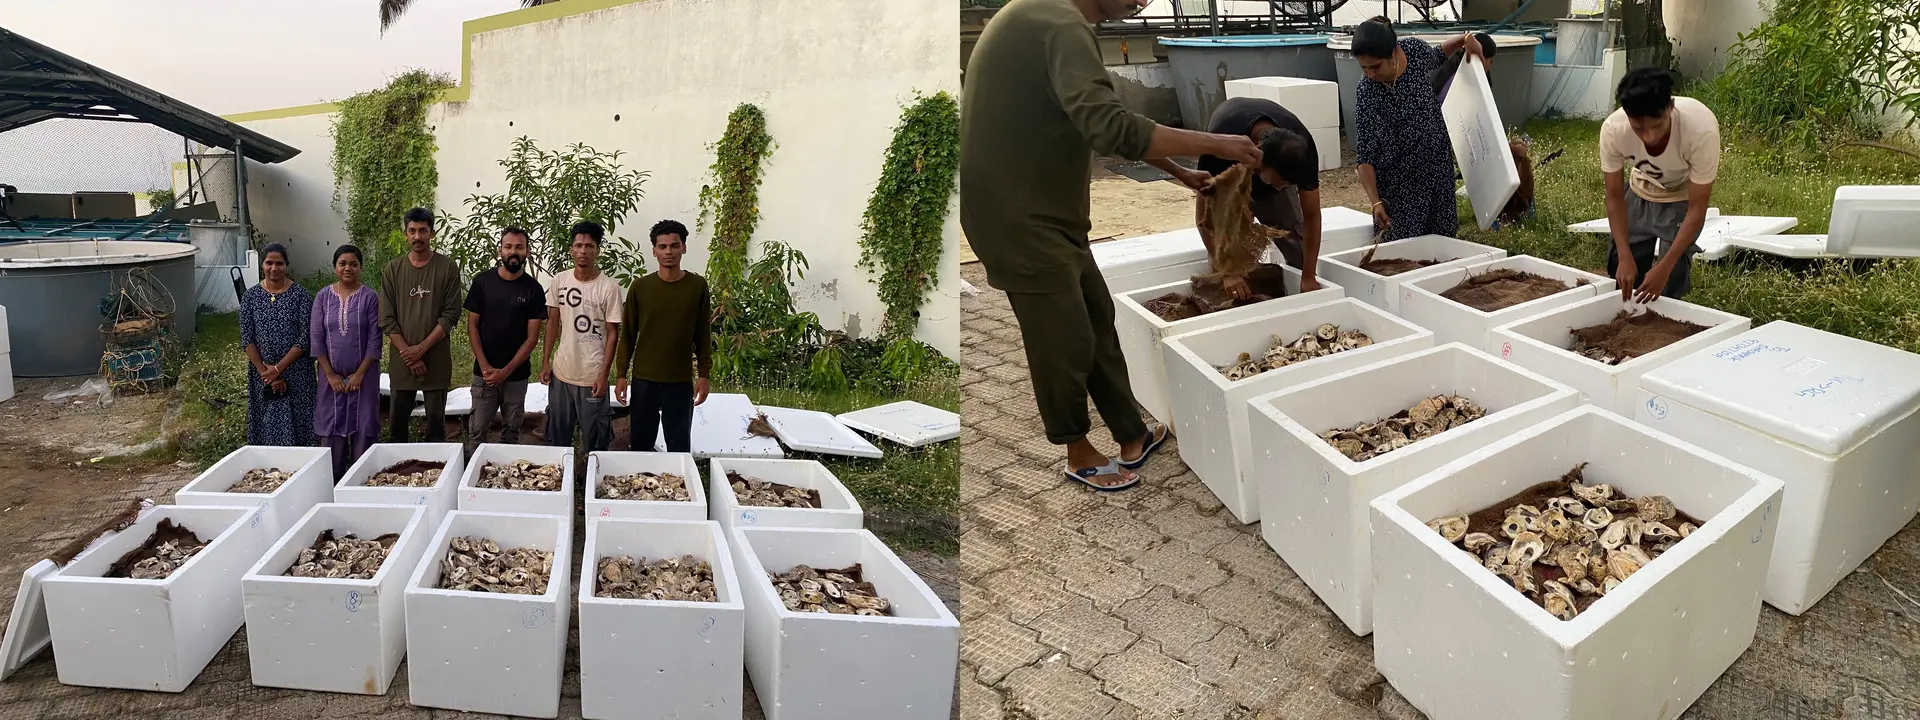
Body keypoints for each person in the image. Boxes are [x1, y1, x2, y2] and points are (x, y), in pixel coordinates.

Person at [960, 0, 1260, 491]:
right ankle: (1076, 450)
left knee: (1097, 316)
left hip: (1049, 212)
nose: (1140, 3)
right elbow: (1111, 128)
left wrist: (1181, 171)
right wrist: (1222, 144)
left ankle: (1131, 433)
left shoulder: (1044, 15)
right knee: (1062, 337)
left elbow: (1106, 121)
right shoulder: (1056, 22)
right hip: (1015, 217)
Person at [1150, 97, 1328, 299]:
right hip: (1230, 175)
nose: (1282, 188)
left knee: (1294, 236)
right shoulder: (1219, 147)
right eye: (1280, 183)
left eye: (1289, 186)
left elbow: (1312, 216)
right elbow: (1205, 221)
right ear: (1259, 163)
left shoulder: (1301, 150)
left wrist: (1307, 275)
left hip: (1272, 163)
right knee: (1230, 255)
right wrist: (1228, 272)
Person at [1351, 18, 1485, 241]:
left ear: (1394, 53)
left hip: (1437, 173)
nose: (1370, 74)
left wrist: (1465, 39)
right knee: (1402, 253)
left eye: (1375, 67)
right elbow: (1365, 153)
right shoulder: (1367, 92)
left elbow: (1438, 54)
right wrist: (1375, 202)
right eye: (1363, 68)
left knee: (1442, 244)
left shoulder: (1414, 51)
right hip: (1398, 186)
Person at [1601, 67, 1720, 302]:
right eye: (1639, 129)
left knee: (1671, 276)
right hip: (1639, 189)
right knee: (1623, 270)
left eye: (1657, 126)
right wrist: (1625, 256)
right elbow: (1613, 196)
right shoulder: (1614, 130)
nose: (1649, 137)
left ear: (1670, 107)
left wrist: (1664, 267)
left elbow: (1697, 207)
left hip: (1680, 194)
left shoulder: (1700, 129)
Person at [613, 220, 713, 454]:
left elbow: (702, 334)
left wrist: (704, 375)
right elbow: (627, 334)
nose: (669, 252)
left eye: (674, 246)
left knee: (678, 445)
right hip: (644, 380)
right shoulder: (641, 287)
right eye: (663, 246)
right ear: (654, 251)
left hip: (679, 381)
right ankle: (640, 486)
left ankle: (679, 488)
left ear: (684, 248)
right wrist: (620, 375)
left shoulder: (697, 286)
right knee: (641, 443)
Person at [377, 207, 463, 443]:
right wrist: (410, 355)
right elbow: (386, 318)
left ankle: (435, 474)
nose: (417, 236)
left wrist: (421, 350)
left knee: (436, 427)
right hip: (402, 362)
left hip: (435, 360)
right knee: (397, 427)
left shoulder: (447, 268)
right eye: (412, 231)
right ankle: (398, 475)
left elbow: (450, 315)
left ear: (432, 233)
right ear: (405, 234)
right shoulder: (393, 270)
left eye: (423, 230)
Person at [541, 220, 623, 454]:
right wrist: (546, 361)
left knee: (595, 440)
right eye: (578, 245)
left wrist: (604, 375)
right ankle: (560, 482)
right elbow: (553, 322)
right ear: (571, 249)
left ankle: (590, 483)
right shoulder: (560, 280)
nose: (583, 251)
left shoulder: (608, 288)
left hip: (592, 376)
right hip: (562, 373)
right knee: (558, 438)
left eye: (589, 246)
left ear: (597, 250)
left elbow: (612, 334)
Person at [462, 227, 546, 456]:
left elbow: (532, 339)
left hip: (516, 376)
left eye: (519, 247)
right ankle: (470, 483)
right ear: (500, 250)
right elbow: (472, 327)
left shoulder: (534, 290)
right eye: (508, 246)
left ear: (527, 251)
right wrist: (487, 367)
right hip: (484, 374)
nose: (513, 252)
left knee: (512, 432)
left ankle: (504, 482)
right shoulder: (482, 282)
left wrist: (506, 372)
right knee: (477, 431)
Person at [311, 245, 382, 480]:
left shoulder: (370, 297)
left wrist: (360, 373)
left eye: (353, 264)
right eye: (342, 263)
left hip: (364, 376)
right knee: (331, 426)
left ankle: (361, 486)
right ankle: (330, 487)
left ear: (361, 267)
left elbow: (375, 339)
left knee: (364, 427)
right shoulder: (323, 297)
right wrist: (330, 375)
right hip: (330, 378)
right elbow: (317, 338)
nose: (348, 268)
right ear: (335, 267)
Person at [241, 243, 316, 448]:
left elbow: (305, 337)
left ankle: (302, 470)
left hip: (297, 372)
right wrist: (266, 372)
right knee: (267, 424)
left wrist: (278, 369)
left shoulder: (301, 296)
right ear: (262, 265)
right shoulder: (251, 297)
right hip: (262, 375)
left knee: (300, 423)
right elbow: (247, 338)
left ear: (286, 265)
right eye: (269, 263)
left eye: (279, 263)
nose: (274, 268)